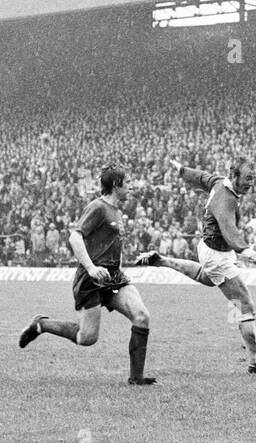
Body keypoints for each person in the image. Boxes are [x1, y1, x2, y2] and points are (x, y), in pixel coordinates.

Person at [136, 157, 256, 374]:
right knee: (244, 303)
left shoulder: (219, 182)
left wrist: (182, 170)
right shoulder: (227, 200)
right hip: (218, 254)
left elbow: (201, 177)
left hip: (209, 249)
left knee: (209, 280)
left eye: (253, 178)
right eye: (248, 178)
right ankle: (255, 361)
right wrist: (245, 249)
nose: (251, 183)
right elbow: (228, 227)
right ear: (234, 176)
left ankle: (162, 261)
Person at [18, 165, 157, 386]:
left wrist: (118, 269)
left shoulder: (117, 211)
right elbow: (75, 237)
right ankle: (41, 325)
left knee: (142, 316)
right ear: (115, 185)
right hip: (91, 280)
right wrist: (92, 268)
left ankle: (136, 378)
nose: (131, 186)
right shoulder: (98, 207)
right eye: (127, 182)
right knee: (87, 338)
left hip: (113, 277)